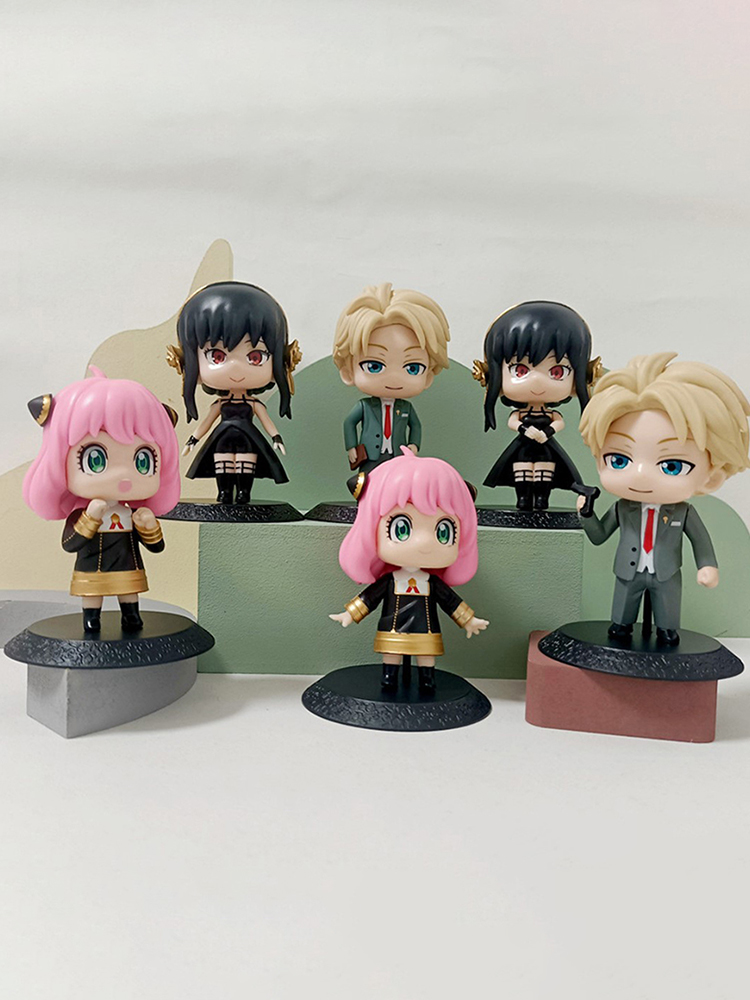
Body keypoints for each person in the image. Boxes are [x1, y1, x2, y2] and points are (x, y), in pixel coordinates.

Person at [577, 352, 750, 645]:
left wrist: (707, 566)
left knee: (667, 610)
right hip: (628, 571)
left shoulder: (684, 513)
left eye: (672, 465)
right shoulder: (622, 508)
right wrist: (586, 515)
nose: (640, 475)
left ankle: (667, 631)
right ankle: (621, 627)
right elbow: (599, 535)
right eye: (619, 460)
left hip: (666, 572)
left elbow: (701, 541)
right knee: (622, 611)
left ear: (712, 476)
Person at [23, 368, 181, 633]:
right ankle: (91, 617)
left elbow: (157, 547)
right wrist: (89, 518)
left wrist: (149, 527)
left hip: (127, 567)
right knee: (92, 594)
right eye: (95, 459)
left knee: (129, 592)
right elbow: (70, 544)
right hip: (91, 569)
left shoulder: (132, 512)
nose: (123, 476)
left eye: (143, 460)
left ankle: (131, 615)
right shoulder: (82, 512)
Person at [329, 448, 489, 692]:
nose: (424, 543)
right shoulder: (390, 580)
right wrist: (349, 614)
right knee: (391, 654)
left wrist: (468, 620)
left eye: (443, 532)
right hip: (392, 629)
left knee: (426, 656)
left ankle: (427, 680)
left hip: (426, 630)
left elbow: (451, 602)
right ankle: (388, 678)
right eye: (401, 528)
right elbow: (369, 598)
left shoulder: (431, 582)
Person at [332, 282, 450, 475]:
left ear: (428, 377)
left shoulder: (406, 408)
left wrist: (414, 445)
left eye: (412, 368)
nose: (394, 378)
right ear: (348, 373)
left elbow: (416, 426)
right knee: (367, 482)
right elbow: (349, 423)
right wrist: (351, 447)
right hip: (370, 455)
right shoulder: (365, 406)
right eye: (374, 366)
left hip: (399, 455)